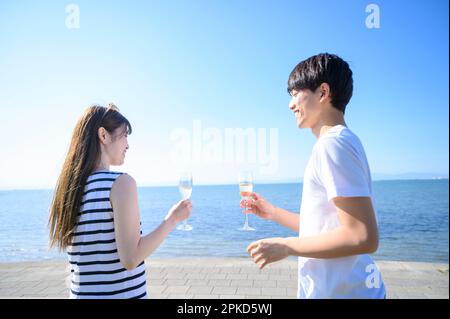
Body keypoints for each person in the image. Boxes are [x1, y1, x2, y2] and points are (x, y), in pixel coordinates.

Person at [243, 53, 386, 299]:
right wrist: (273, 213)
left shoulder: (333, 144)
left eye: (296, 93)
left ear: (322, 92)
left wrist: (286, 246)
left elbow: (363, 236)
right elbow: (327, 228)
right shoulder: (342, 141)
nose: (291, 104)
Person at [48, 104, 192, 299]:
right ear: (103, 135)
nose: (128, 144)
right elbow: (131, 258)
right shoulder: (121, 183)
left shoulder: (71, 190)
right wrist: (172, 219)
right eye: (124, 135)